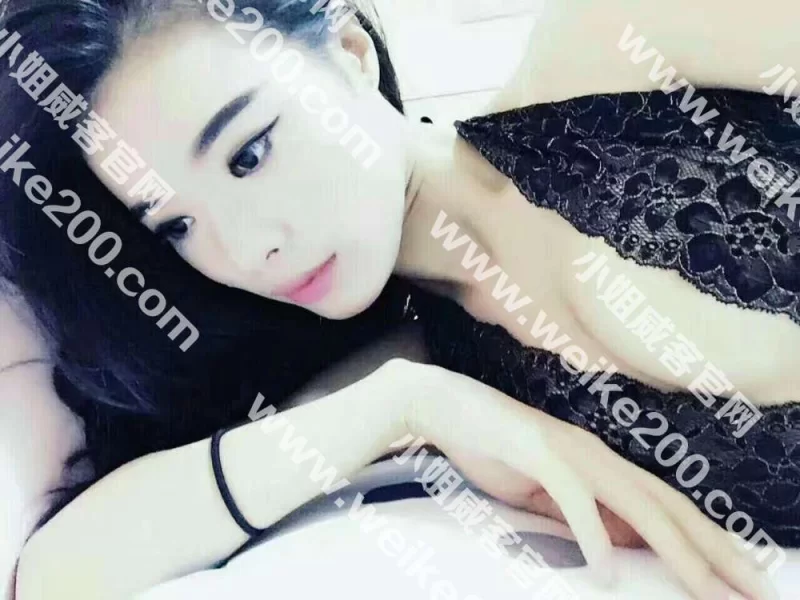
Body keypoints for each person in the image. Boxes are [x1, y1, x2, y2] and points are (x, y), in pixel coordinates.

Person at [0, 0, 789, 598]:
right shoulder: (417, 371)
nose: (246, 248)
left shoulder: (605, 43)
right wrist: (404, 407)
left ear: (349, 52)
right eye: (175, 224)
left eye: (250, 153)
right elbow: (56, 576)